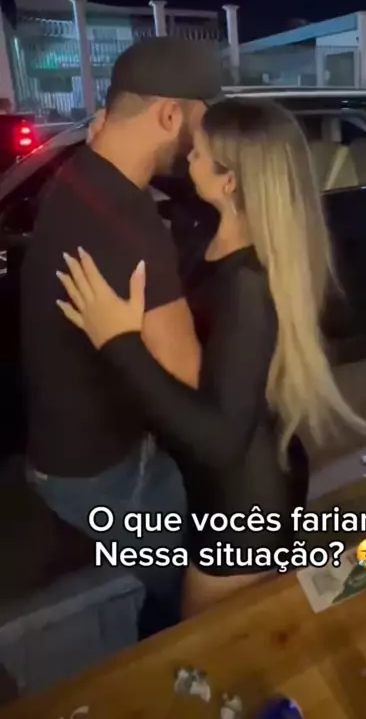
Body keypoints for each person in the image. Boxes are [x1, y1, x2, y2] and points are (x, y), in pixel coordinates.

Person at [55, 98, 366, 618]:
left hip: (243, 506)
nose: (187, 159)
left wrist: (118, 340)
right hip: (233, 479)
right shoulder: (217, 220)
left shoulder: (249, 285)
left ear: (230, 182)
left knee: (211, 648)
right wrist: (104, 150)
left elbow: (220, 439)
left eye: (199, 154)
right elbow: (159, 178)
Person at [22, 36, 223, 620]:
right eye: (202, 121)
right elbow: (190, 383)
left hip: (66, 448)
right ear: (170, 116)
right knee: (197, 592)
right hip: (105, 471)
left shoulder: (81, 175)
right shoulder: (129, 225)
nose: (204, 140)